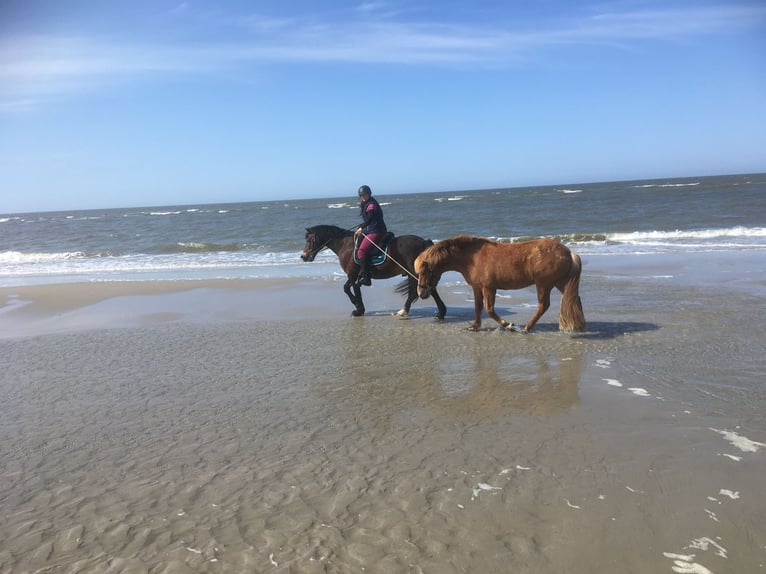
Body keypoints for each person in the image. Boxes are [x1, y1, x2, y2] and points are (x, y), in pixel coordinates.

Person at [354, 184, 387, 286]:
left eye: (364, 195)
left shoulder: (371, 205)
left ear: (369, 194)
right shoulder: (367, 203)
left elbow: (370, 219)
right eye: (361, 195)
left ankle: (366, 277)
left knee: (361, 252)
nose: (363, 197)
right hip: (371, 230)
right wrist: (362, 227)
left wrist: (362, 228)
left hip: (376, 231)